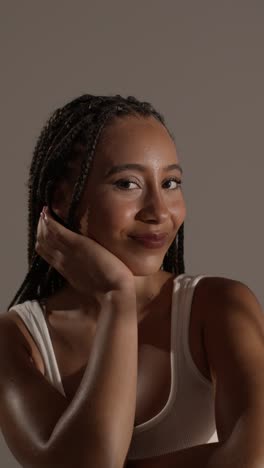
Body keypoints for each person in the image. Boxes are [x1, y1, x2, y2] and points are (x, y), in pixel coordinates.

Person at [0, 94, 263, 468]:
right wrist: (116, 298)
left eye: (171, 183)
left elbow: (255, 459)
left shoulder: (219, 307)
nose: (159, 211)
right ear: (61, 197)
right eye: (127, 184)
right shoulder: (16, 340)